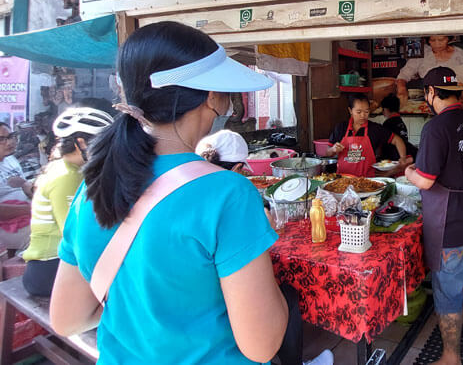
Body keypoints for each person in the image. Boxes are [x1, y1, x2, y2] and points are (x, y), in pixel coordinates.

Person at [49, 21, 290, 364]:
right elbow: (262, 344)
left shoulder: (91, 188)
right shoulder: (227, 193)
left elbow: (67, 318)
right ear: (212, 96)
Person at [196, 129, 333, 365]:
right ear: (239, 168)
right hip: (222, 294)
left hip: (194, 292)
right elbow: (254, 237)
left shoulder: (192, 183)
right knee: (287, 294)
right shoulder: (235, 190)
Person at [404, 67, 463, 365]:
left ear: (431, 93)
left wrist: (408, 171)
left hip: (451, 220)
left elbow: (426, 180)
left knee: (447, 288)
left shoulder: (436, 127)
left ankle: (451, 356)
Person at [22, 107, 114, 297]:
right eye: (104, 142)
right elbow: (75, 236)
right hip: (50, 268)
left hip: (48, 267)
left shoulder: (63, 167)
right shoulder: (67, 177)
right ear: (81, 143)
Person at [326, 94, 409, 177]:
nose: (363, 115)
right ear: (350, 110)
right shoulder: (341, 128)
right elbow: (327, 152)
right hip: (342, 180)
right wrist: (333, 149)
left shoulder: (375, 129)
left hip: (368, 181)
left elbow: (397, 140)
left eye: (366, 112)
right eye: (359, 112)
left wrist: (403, 157)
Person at [396, 35, 463, 105]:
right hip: (428, 98)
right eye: (433, 40)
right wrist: (401, 89)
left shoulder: (460, 54)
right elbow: (404, 75)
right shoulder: (424, 52)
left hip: (453, 97)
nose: (437, 44)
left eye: (441, 40)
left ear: (449, 38)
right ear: (428, 40)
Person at [0, 122, 33, 252]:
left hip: (25, 215)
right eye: (2, 139)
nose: (9, 142)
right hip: (7, 225)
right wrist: (33, 209)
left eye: (11, 136)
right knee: (45, 232)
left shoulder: (10, 160)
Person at [380, 94, 417, 161]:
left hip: (394, 159)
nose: (382, 112)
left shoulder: (388, 123)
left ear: (386, 109)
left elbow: (383, 144)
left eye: (383, 109)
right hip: (404, 157)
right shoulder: (401, 122)